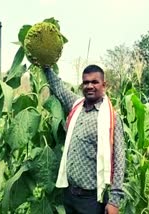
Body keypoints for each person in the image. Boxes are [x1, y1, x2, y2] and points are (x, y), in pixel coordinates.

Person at [43, 64, 125, 214]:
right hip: (69, 194)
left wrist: (114, 200)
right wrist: (46, 66)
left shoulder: (111, 117)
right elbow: (59, 87)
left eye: (95, 82)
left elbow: (119, 159)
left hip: (92, 199)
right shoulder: (76, 105)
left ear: (104, 85)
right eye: (86, 82)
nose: (89, 86)